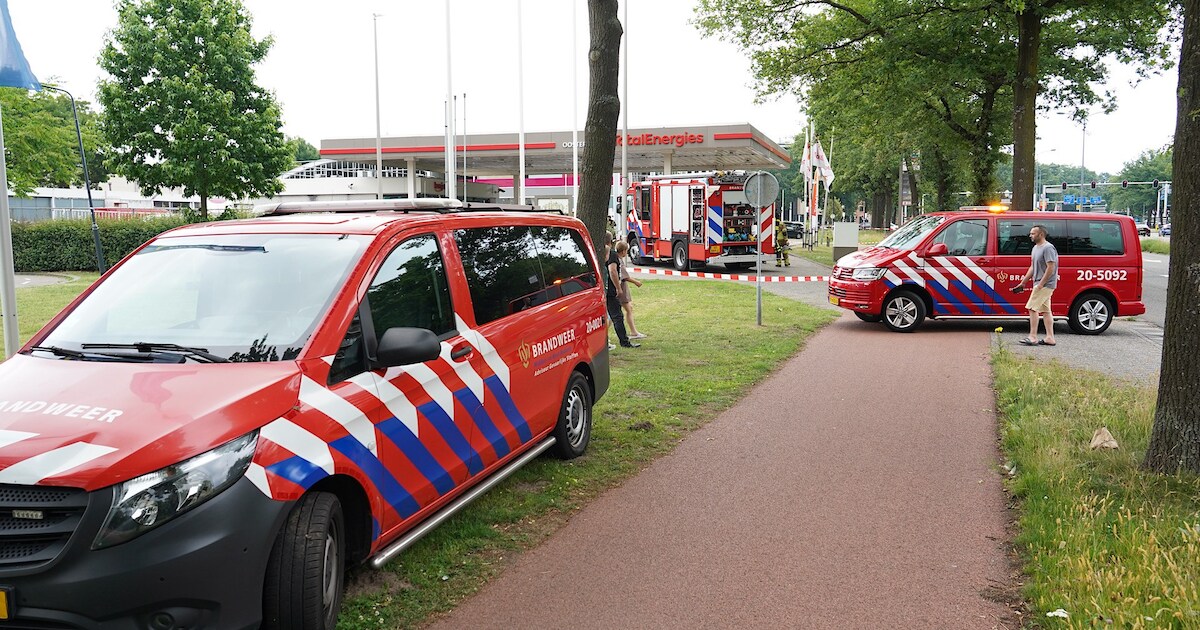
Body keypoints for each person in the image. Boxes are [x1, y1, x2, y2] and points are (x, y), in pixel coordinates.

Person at [1016, 224, 1059, 346]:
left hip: (1045, 284)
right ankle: (1050, 338)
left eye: (1033, 233)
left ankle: (1033, 337)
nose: (1030, 235)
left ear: (1041, 234)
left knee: (1032, 308)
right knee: (1046, 310)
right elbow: (1033, 266)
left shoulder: (1048, 248)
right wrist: (1023, 282)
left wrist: (1040, 284)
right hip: (1041, 283)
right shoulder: (1035, 248)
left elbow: (1051, 267)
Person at [605, 232, 638, 348]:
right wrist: (618, 288)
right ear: (611, 240)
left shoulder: (600, 252)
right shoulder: (612, 254)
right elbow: (612, 270)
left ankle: (604, 341)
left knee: (606, 316)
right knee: (617, 317)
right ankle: (624, 342)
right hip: (610, 290)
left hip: (602, 289)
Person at [614, 240, 646, 339]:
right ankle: (633, 332)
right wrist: (636, 282)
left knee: (628, 309)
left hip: (621, 288)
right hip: (621, 289)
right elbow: (625, 277)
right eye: (626, 251)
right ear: (623, 251)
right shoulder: (619, 261)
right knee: (625, 310)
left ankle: (633, 331)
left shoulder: (616, 259)